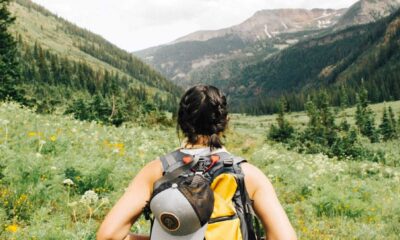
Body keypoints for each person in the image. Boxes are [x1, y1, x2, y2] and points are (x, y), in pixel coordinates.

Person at [97, 85, 297, 240]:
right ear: (224, 121)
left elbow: (108, 236)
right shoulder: (248, 174)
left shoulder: (157, 170)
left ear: (182, 122)